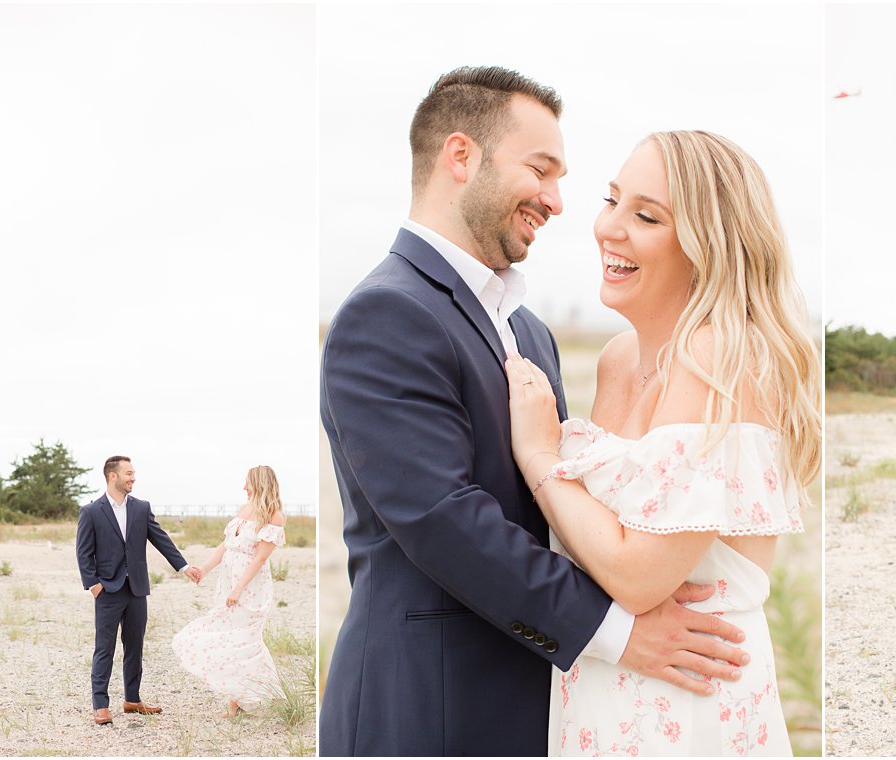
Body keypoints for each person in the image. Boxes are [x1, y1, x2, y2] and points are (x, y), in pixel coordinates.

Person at [319, 66, 750, 756]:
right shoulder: (387, 312)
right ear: (461, 157)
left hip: (548, 708)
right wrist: (618, 632)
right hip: (428, 711)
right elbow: (443, 520)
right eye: (541, 170)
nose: (556, 201)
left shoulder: (529, 332)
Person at [506, 130, 821, 756]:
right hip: (603, 691)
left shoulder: (719, 360)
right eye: (612, 199)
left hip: (690, 703)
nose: (609, 228)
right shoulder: (620, 360)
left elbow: (638, 575)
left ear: (708, 247)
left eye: (646, 216)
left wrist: (540, 456)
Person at [75, 455, 201, 726]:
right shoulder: (91, 511)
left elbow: (161, 539)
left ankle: (132, 700)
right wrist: (94, 585)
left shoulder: (141, 508)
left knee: (135, 646)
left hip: (137, 589)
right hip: (107, 590)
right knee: (104, 648)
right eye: (128, 473)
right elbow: (83, 553)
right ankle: (101, 705)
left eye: (134, 474)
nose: (133, 478)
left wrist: (184, 566)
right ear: (112, 476)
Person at [172, 465, 288, 718]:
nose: (244, 487)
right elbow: (226, 546)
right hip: (229, 580)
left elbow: (259, 559)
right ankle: (240, 695)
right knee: (230, 634)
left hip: (250, 585)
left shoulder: (274, 516)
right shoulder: (243, 510)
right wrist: (204, 569)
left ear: (259, 484)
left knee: (246, 639)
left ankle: (244, 699)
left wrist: (238, 589)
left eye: (247, 483)